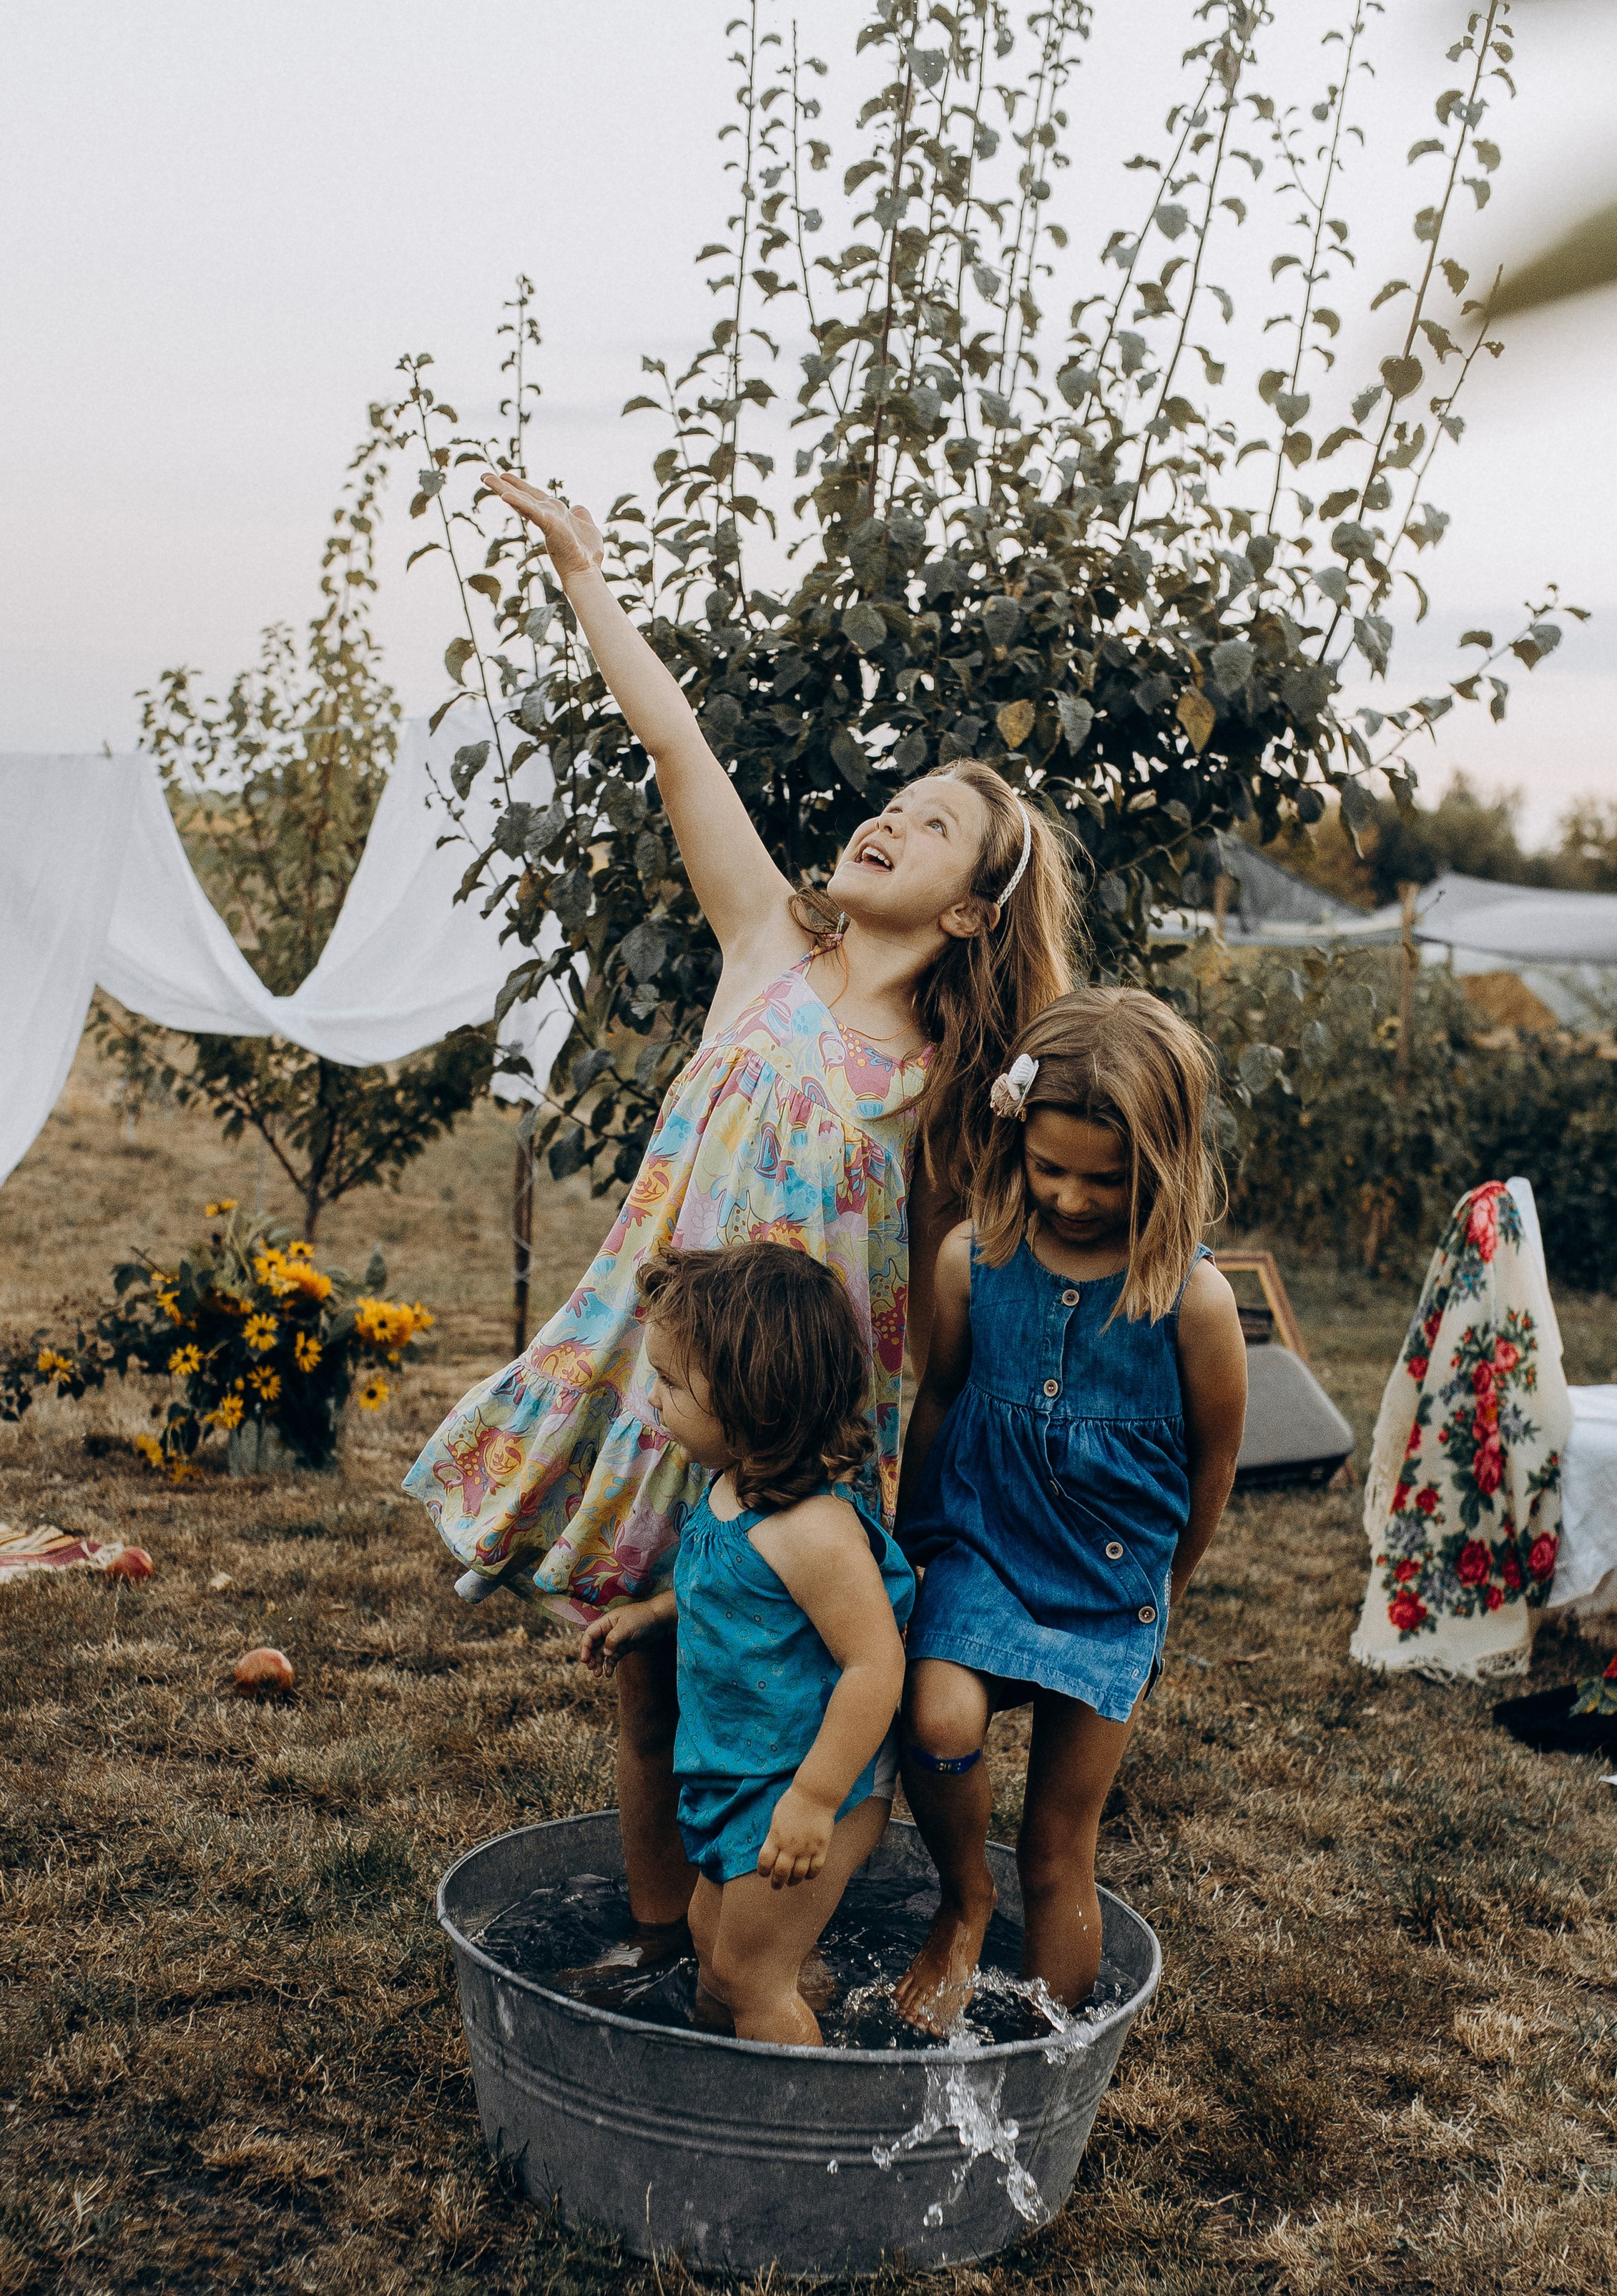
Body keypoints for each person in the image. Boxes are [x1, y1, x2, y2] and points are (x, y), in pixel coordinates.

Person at [403, 466, 1081, 1936]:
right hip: (677, 1374)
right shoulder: (768, 946)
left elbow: (1014, 1230)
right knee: (648, 1680)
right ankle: (667, 1948)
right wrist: (588, 576)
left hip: (809, 1425)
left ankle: (769, 1925)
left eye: (934, 827)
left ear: (971, 909)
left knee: (783, 1675)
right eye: (891, 803)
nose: (890, 822)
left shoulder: (953, 1080)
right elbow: (675, 744)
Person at [892, 989, 1249, 2024]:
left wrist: (1162, 1590)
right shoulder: (974, 1259)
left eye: (1108, 1177)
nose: (1075, 1198)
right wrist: (917, 1542)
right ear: (1017, 1143)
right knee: (939, 1717)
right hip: (983, 1548)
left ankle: (1049, 2049)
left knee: (1059, 1846)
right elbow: (943, 1398)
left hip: (1111, 1585)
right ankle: (964, 1899)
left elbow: (1212, 1463)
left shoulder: (1193, 1301)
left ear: (1167, 1161)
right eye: (1051, 1169)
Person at [579, 1243, 915, 2047]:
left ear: (748, 1397)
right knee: (711, 1944)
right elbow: (732, 1590)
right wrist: (655, 1615)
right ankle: (730, 2066)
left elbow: (877, 1667)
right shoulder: (730, 1485)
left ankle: (811, 2146)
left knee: (745, 1976)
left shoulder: (815, 1532)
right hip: (742, 1773)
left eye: (669, 1383)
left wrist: (814, 1801)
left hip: (804, 1785)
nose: (653, 1399)